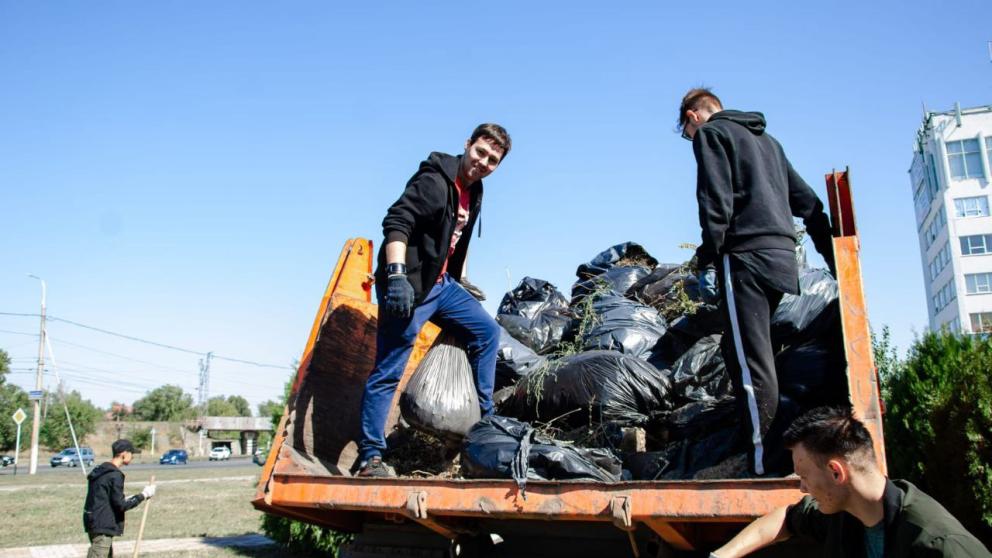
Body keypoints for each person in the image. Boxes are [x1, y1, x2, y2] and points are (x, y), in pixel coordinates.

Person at [678, 87, 836, 476]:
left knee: (752, 361)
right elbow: (808, 202)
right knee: (740, 349)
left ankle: (764, 463)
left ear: (694, 116)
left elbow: (714, 202)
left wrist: (709, 256)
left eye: (686, 133)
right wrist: (833, 255)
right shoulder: (769, 143)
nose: (690, 140)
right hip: (782, 260)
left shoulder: (713, 134)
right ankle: (767, 443)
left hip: (746, 255)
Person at [355, 123, 511, 477]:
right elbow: (397, 222)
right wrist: (395, 275)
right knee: (388, 370)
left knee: (486, 331)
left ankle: (483, 421)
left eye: (492, 160)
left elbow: (458, 238)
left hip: (441, 286)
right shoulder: (434, 180)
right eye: (480, 152)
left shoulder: (476, 189)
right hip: (409, 287)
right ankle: (370, 456)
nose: (483, 162)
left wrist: (462, 279)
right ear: (467, 145)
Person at [710, 406, 990, 557]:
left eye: (804, 477)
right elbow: (786, 517)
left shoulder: (941, 546)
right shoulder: (843, 513)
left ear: (836, 472)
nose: (802, 488)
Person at [82, 439, 156, 558]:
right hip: (103, 524)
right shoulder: (115, 475)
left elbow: (105, 497)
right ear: (124, 454)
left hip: (93, 520)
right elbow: (121, 505)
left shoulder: (101, 470)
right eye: (131, 453)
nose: (132, 457)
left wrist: (131, 497)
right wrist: (144, 495)